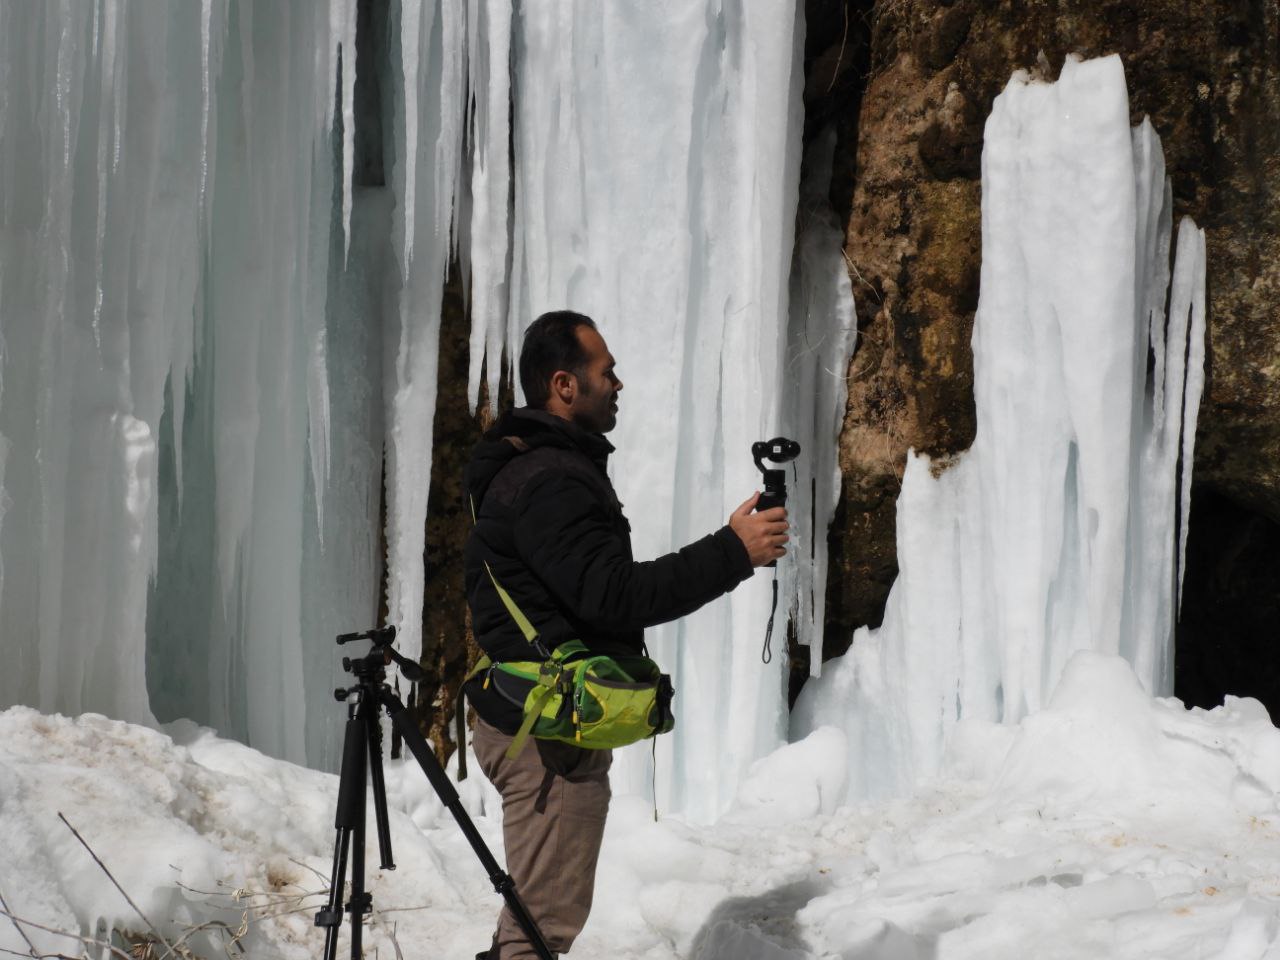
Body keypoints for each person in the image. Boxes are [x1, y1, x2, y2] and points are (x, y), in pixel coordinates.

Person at [462, 310, 788, 959]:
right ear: (563, 384)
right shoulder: (550, 481)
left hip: (545, 721)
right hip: (546, 739)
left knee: (535, 923)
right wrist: (732, 551)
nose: (618, 383)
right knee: (539, 932)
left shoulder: (538, 470)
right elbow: (613, 595)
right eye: (604, 371)